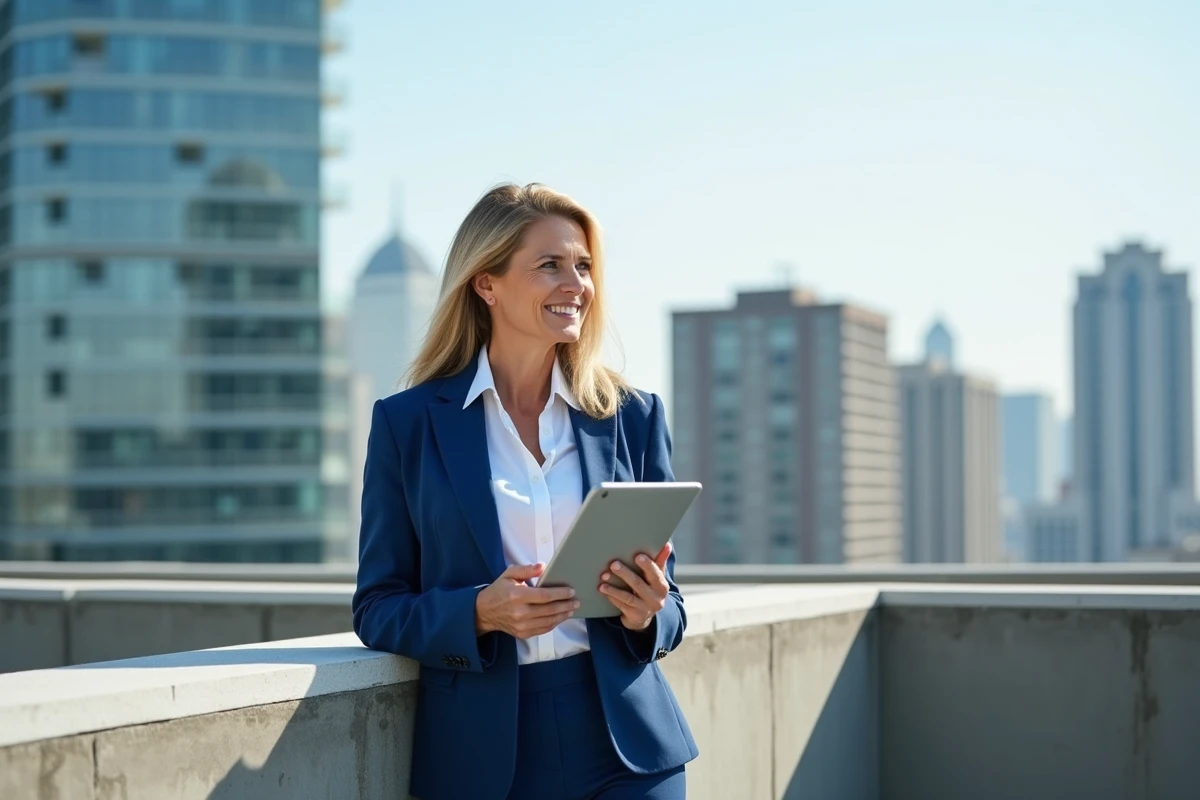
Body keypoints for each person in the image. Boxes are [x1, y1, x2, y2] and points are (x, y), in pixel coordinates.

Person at [352, 183, 698, 800]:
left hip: (628, 744)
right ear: (486, 284)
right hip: (484, 755)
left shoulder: (632, 415)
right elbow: (377, 606)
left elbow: (673, 605)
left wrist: (649, 611)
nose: (577, 284)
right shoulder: (407, 425)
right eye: (550, 265)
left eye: (584, 266)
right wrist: (479, 612)